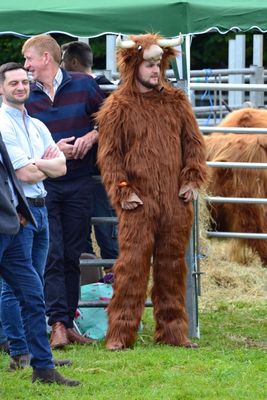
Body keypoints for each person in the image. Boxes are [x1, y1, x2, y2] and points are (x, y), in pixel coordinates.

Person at [96, 33, 208, 350]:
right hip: (138, 203)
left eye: (158, 65)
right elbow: (109, 156)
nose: (155, 71)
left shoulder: (177, 103)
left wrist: (192, 178)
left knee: (172, 266)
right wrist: (122, 190)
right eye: (148, 65)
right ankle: (119, 334)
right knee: (131, 267)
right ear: (134, 66)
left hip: (175, 201)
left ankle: (173, 331)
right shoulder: (117, 106)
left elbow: (194, 146)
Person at [22, 34, 105, 349]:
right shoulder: (26, 96)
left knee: (73, 254)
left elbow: (109, 120)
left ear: (46, 57)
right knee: (53, 253)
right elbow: (18, 137)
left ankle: (67, 321)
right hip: (44, 185)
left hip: (80, 182)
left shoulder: (84, 87)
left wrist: (92, 136)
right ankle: (56, 322)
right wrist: (52, 149)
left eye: (29, 59)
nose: (27, 65)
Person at [0, 62, 66, 368]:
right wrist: (43, 165)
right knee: (16, 286)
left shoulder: (37, 125)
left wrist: (35, 163)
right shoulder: (3, 123)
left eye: (24, 82)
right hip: (17, 213)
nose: (20, 87)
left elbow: (61, 167)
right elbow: (23, 173)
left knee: (33, 284)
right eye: (13, 83)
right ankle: (20, 350)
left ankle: (36, 354)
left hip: (40, 208)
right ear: (1, 88)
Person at [0, 132, 79, 385]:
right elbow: (23, 173)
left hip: (11, 226)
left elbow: (10, 177)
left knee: (33, 295)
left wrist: (18, 210)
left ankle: (43, 369)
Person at [61, 41, 118, 268]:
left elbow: (115, 125)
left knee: (106, 231)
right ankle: (90, 285)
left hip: (100, 172)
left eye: (63, 60)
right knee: (82, 231)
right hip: (82, 173)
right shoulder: (105, 88)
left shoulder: (105, 89)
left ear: (73, 62)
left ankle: (114, 283)